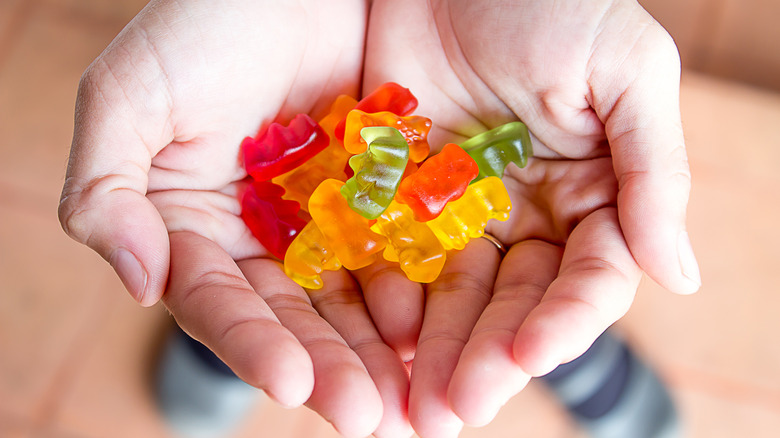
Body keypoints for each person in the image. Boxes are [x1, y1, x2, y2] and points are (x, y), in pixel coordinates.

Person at [58, 0, 701, 437]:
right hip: (285, 208)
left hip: (471, 187)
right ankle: (216, 350)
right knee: (230, 270)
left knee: (540, 269)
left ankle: (569, 356)